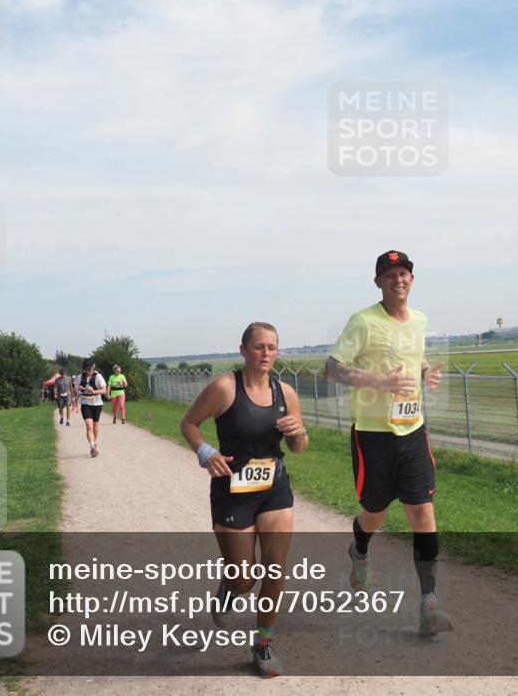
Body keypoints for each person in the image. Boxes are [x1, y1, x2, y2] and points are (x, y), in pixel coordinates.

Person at [326, 250, 451, 637]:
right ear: (378, 281)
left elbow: (412, 354)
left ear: (412, 279)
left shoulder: (419, 320)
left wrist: (426, 371)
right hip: (373, 435)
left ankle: (429, 603)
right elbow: (332, 368)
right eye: (389, 274)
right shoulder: (363, 322)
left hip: (412, 430)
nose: (398, 279)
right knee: (374, 514)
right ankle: (360, 547)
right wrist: (379, 382)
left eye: (404, 273)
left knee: (422, 513)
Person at [180, 322, 308, 678]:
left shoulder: (286, 393)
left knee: (275, 568)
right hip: (232, 493)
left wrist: (300, 434)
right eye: (259, 347)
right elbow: (188, 424)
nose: (266, 354)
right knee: (244, 580)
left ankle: (263, 644)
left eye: (272, 348)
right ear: (244, 350)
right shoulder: (224, 387)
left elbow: (298, 448)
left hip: (274, 490)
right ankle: (229, 588)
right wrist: (206, 452)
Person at [77, 358, 107, 457]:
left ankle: (95, 441)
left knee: (95, 426)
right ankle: (92, 448)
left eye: (89, 369)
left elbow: (104, 391)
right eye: (86, 369)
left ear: (93, 367)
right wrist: (80, 389)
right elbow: (76, 390)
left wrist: (94, 391)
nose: (87, 371)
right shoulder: (80, 377)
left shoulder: (98, 377)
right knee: (89, 426)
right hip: (85, 404)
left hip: (97, 404)